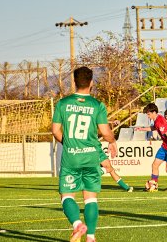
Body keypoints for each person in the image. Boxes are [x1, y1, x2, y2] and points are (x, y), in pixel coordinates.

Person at [52, 66, 117, 242]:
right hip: (91, 157)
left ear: (73, 82)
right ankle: (90, 237)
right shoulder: (97, 105)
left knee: (66, 195)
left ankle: (77, 225)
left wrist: (69, 144)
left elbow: (55, 130)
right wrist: (112, 141)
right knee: (90, 198)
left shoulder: (63, 104)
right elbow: (105, 132)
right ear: (91, 83)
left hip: (71, 158)